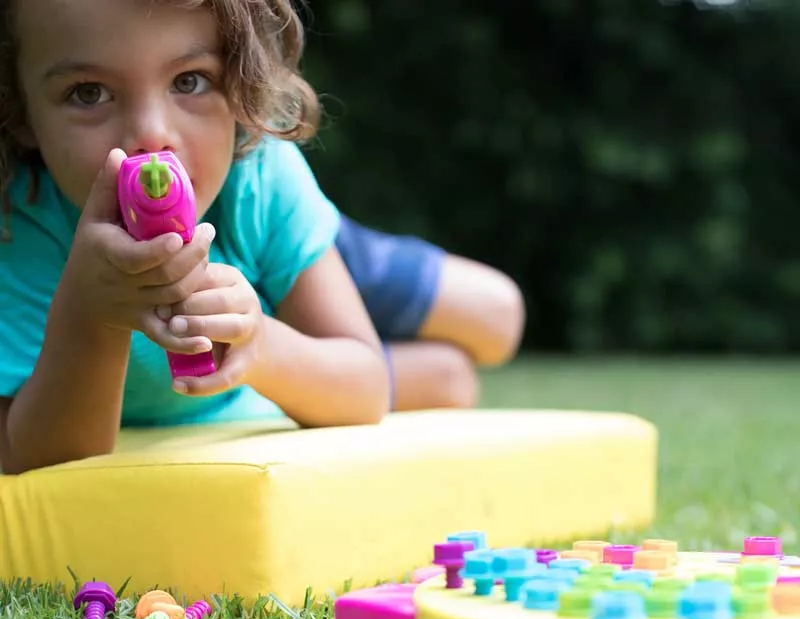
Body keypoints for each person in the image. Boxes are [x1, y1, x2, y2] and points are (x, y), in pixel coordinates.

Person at [0, 0, 524, 475]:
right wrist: (93, 313)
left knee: (497, 313)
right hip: (241, 331)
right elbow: (38, 458)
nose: (151, 135)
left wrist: (264, 345)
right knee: (451, 380)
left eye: (189, 81)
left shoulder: (262, 179)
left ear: (239, 79)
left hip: (253, 221)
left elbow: (362, 383)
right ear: (20, 111)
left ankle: (336, 249)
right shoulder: (16, 223)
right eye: (88, 93)